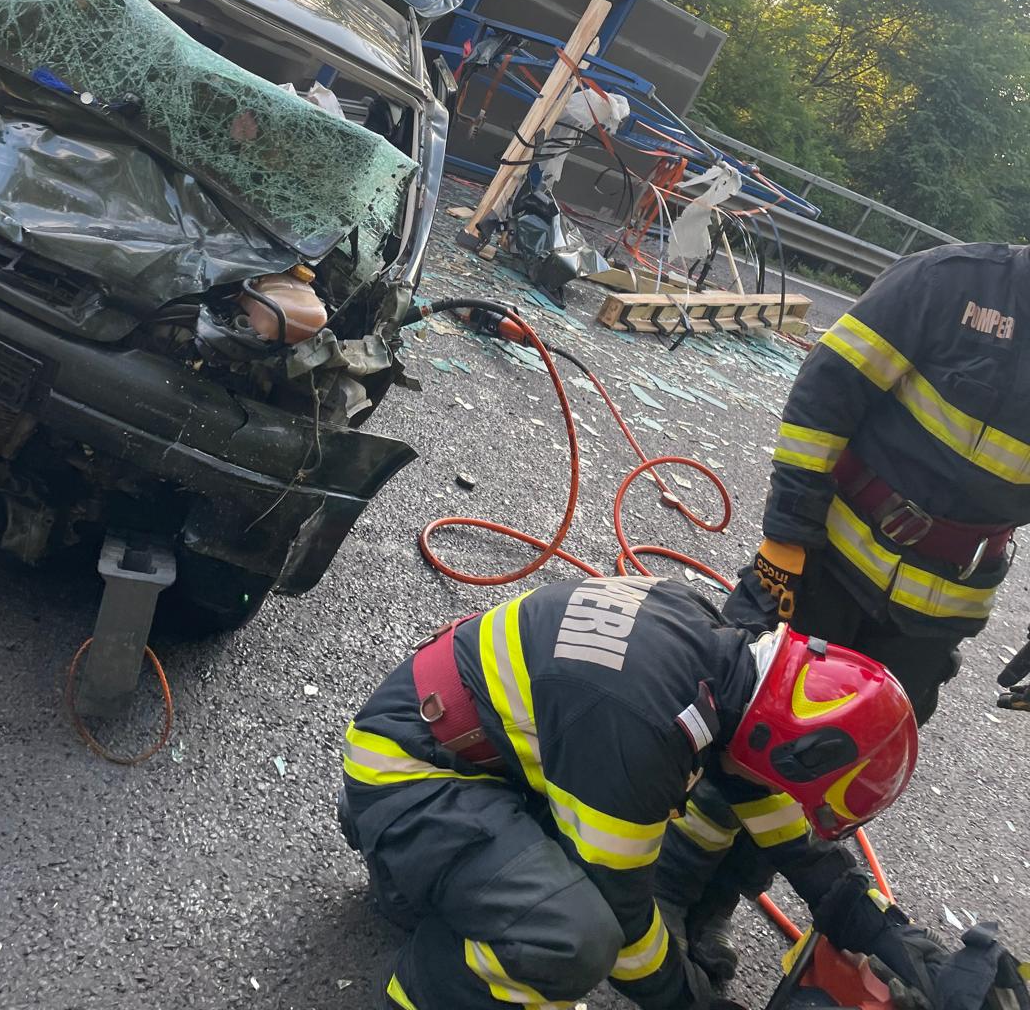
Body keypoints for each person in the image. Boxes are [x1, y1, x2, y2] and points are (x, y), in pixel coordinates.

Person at [656, 242, 1030, 983]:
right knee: (742, 724)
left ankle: (716, 903)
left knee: (824, 773)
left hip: (935, 613)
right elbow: (826, 392)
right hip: (825, 560)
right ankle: (660, 881)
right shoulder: (952, 285)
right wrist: (785, 543)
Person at [337, 573, 952, 1010]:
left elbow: (776, 819)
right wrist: (694, 1003)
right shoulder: (640, 728)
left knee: (612, 868)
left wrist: (884, 931)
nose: (782, 797)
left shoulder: (717, 653)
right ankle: (423, 991)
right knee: (575, 937)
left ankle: (431, 886)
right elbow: (627, 929)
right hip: (407, 775)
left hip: (467, 748)